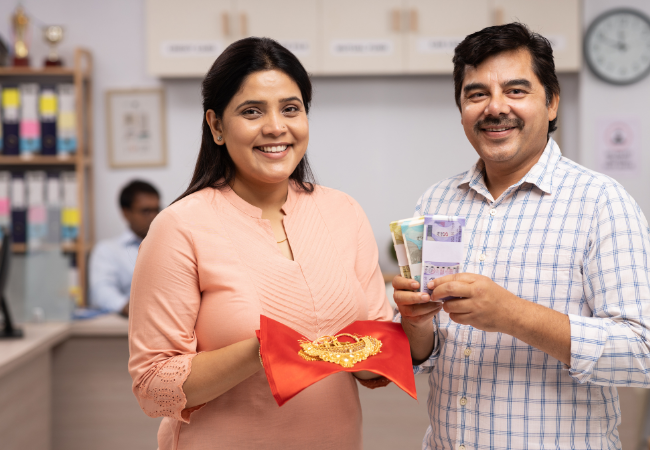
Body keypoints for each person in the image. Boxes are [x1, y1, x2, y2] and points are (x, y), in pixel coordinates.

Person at [393, 22, 650, 450]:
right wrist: (416, 324)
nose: (495, 107)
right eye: (477, 94)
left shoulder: (601, 202)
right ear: (461, 109)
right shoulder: (437, 201)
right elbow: (427, 353)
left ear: (551, 103)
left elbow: (642, 353)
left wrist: (513, 315)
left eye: (515, 90)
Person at [128, 37, 392, 450]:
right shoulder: (179, 227)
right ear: (217, 126)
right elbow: (152, 388)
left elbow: (371, 365)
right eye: (252, 111)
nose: (275, 127)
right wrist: (262, 350)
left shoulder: (344, 211)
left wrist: (413, 324)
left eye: (291, 108)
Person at [88, 180, 160, 316]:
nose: (154, 216)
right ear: (126, 213)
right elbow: (101, 291)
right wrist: (126, 306)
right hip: (128, 322)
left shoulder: (171, 246)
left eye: (156, 210)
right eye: (146, 211)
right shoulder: (107, 250)